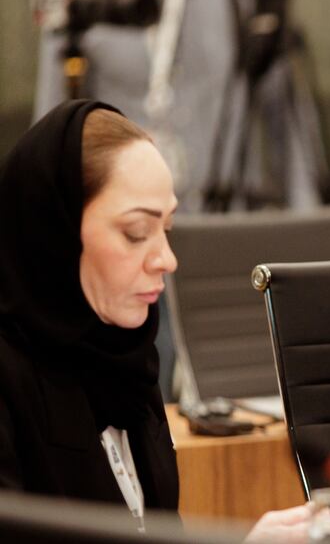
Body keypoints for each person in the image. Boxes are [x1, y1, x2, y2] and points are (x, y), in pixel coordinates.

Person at [0, 100, 307, 541]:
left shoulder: (126, 362)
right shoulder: (11, 376)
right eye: (136, 233)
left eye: (167, 229)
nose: (167, 259)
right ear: (54, 233)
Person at [33, 0, 322, 213]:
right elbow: (50, 141)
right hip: (126, 224)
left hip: (224, 219)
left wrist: (307, 222)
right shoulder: (84, 3)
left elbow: (285, 117)